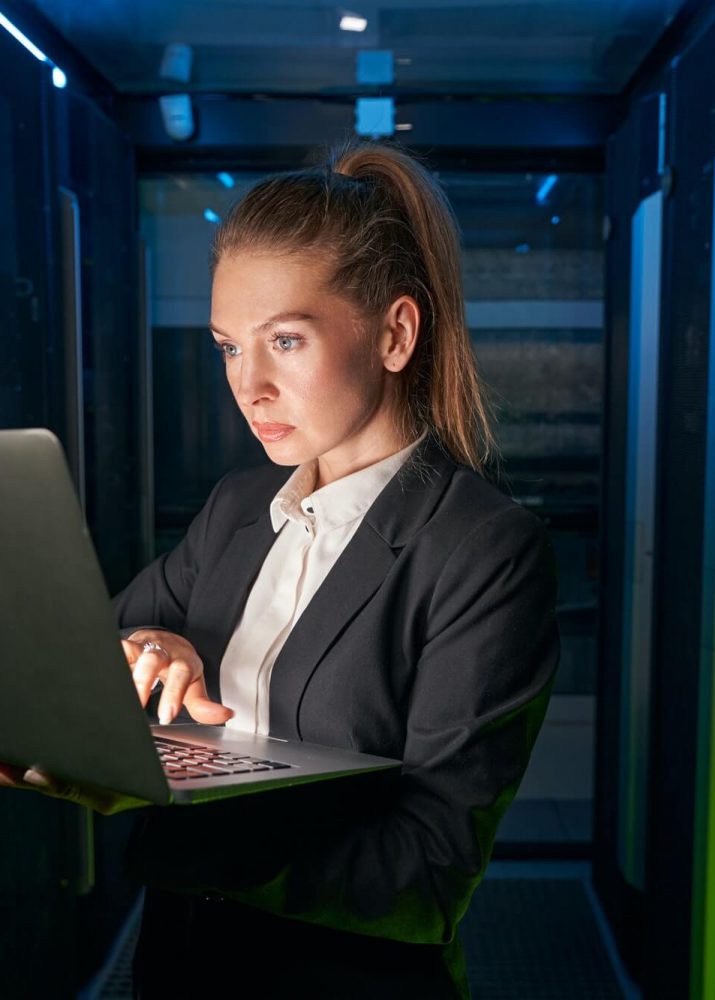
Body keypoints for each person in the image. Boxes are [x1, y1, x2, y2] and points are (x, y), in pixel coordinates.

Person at [0, 137, 560, 998]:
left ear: (396, 335)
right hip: (179, 969)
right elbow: (87, 659)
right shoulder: (237, 507)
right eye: (228, 347)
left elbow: (430, 872)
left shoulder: (483, 549)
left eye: (286, 341)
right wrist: (145, 645)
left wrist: (185, 836)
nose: (247, 384)